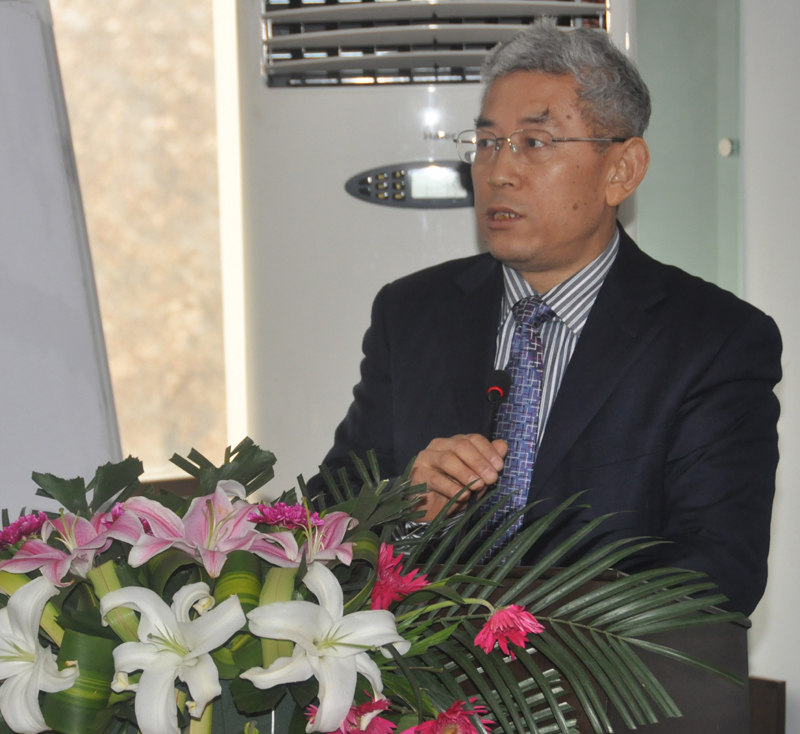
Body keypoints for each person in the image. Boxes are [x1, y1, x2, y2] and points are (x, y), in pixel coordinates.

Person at [309, 19, 781, 616]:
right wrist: (405, 512)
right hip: (417, 670)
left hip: (605, 675)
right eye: (486, 143)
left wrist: (519, 627)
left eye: (534, 143)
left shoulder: (714, 339)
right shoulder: (412, 313)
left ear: (622, 170)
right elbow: (323, 520)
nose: (498, 172)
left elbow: (718, 574)